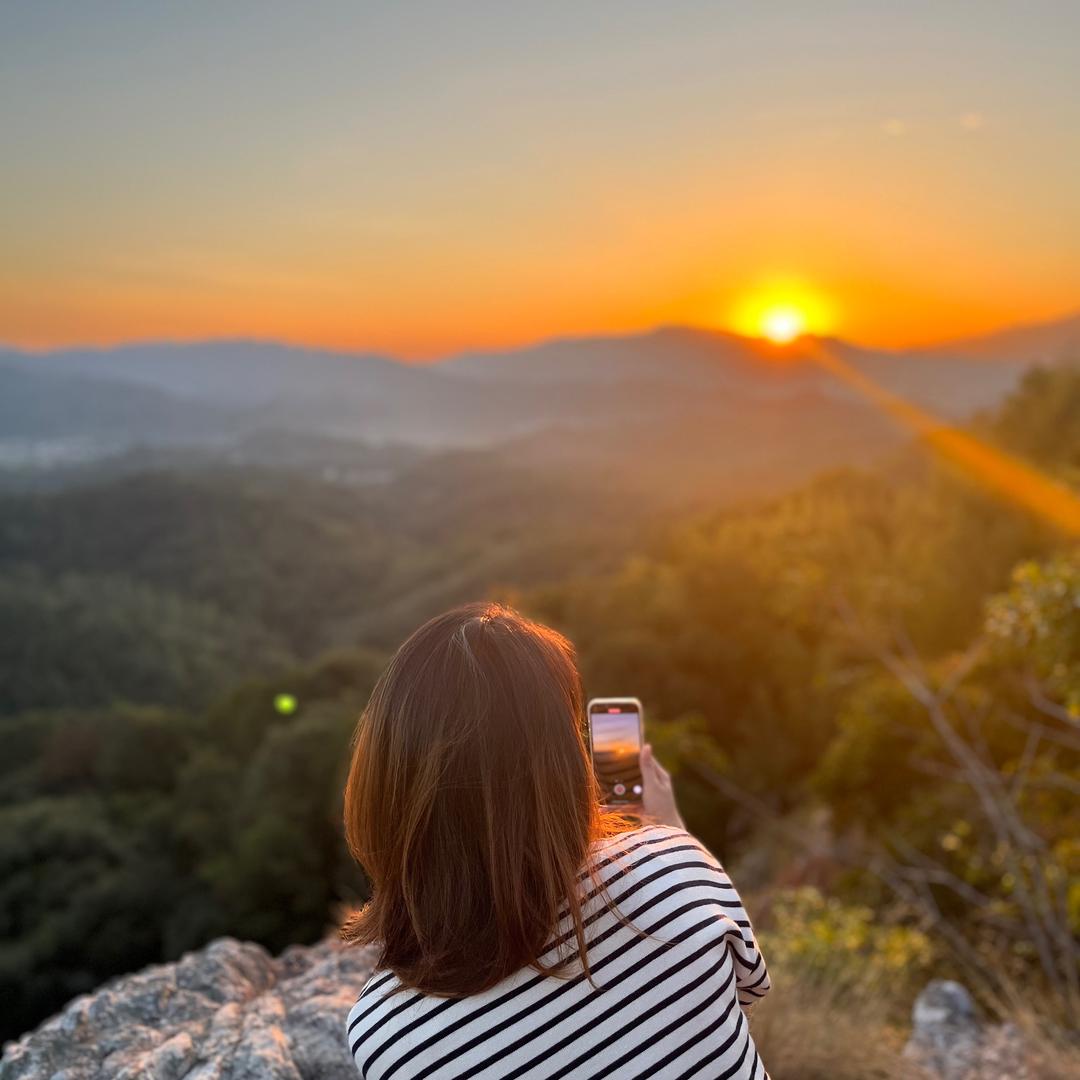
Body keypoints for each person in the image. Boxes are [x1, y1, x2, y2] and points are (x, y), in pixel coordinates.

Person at [342, 602, 770, 1079]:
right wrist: (668, 835)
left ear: (383, 785)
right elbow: (731, 1008)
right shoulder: (675, 868)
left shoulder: (386, 1037)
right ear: (564, 762)